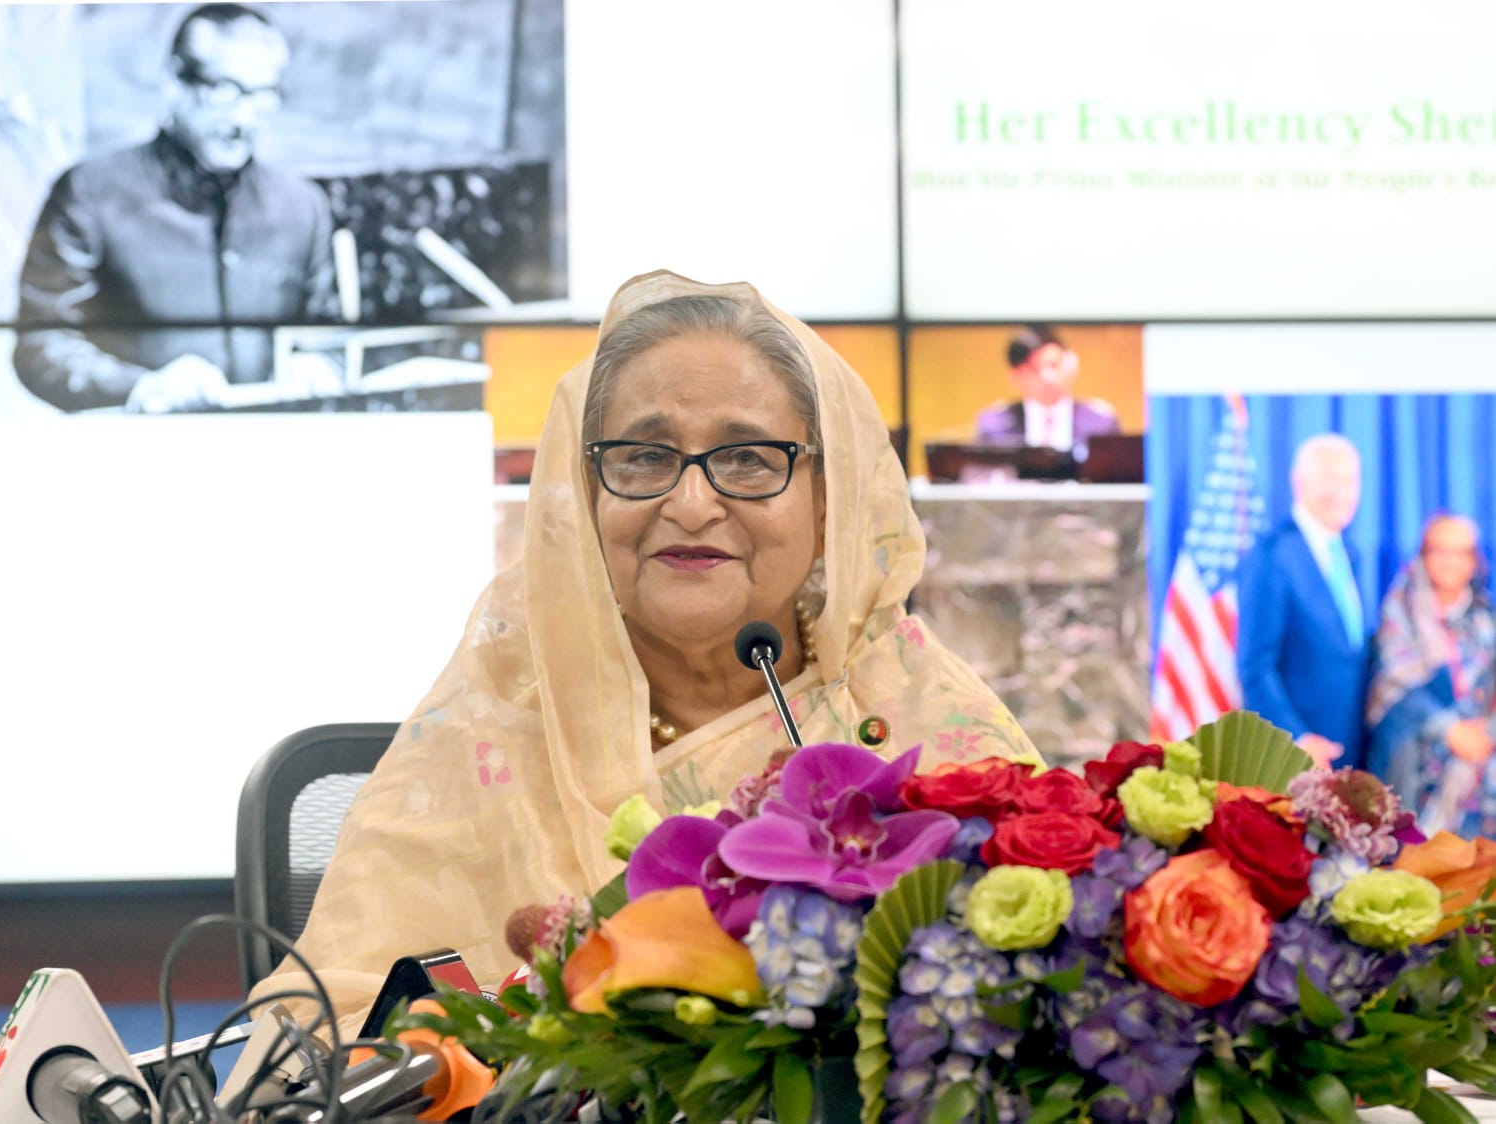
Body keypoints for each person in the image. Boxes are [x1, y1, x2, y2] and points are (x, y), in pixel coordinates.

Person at [255, 270, 1040, 1033]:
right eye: (644, 457)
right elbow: (318, 1034)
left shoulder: (914, 716)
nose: (691, 504)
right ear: (585, 493)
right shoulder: (491, 728)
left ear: (828, 498)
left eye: (747, 457)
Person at [14, 3, 337, 413]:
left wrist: (321, 362)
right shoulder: (90, 192)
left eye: (263, 95)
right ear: (174, 83)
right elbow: (41, 343)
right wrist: (139, 387)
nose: (244, 118)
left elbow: (327, 333)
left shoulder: (302, 207)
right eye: (225, 90)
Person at [1238, 433, 1371, 769]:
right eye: (1330, 480)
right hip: (1295, 759)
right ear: (1299, 482)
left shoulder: (1350, 553)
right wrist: (1298, 737)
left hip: (1351, 755)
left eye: (1349, 481)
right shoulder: (1271, 556)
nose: (1341, 492)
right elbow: (1255, 667)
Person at [1367, 515, 1496, 836]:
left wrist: (1483, 733)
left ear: (1474, 561)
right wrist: (1450, 730)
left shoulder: (1486, 616)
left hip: (1476, 779)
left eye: (1461, 552)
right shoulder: (1399, 612)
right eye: (1440, 550)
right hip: (1414, 769)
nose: (1450, 561)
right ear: (1423, 556)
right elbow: (1395, 686)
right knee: (1415, 858)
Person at [974, 325, 1119, 454]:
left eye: (1053, 365)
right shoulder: (995, 426)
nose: (1047, 377)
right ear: (1016, 376)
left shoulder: (1101, 423)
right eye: (1034, 368)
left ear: (1071, 365)